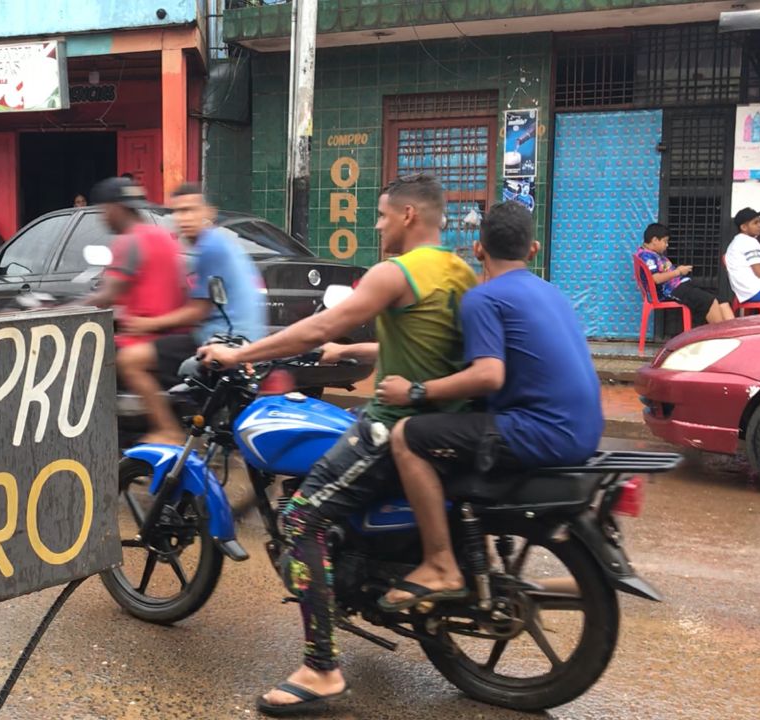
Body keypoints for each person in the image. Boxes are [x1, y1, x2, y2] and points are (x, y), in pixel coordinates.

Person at [198, 174, 476, 716]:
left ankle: (321, 668)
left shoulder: (394, 272)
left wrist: (239, 355)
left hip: (393, 424)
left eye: (381, 215)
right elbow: (430, 343)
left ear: (409, 217)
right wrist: (354, 353)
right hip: (446, 422)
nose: (376, 225)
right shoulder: (457, 270)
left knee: (301, 519)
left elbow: (319, 325)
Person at [373, 202, 603, 611]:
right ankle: (481, 560)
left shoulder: (485, 298)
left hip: (540, 431)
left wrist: (416, 392)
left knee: (408, 437)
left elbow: (489, 375)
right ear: (532, 249)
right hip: (584, 430)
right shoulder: (551, 292)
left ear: (478, 250)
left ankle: (440, 564)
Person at [119, 182, 267, 444]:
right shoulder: (219, 242)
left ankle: (168, 431)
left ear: (207, 211)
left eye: (190, 210)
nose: (183, 218)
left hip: (222, 340)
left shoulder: (210, 247)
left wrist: (147, 324)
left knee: (131, 360)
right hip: (241, 337)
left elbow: (197, 311)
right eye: (177, 212)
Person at [76, 177, 188, 435]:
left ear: (115, 208)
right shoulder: (164, 237)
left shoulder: (129, 242)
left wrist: (63, 309)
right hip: (169, 335)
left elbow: (106, 296)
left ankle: (165, 429)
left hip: (143, 338)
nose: (103, 218)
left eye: (103, 211)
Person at [637, 223, 734, 324]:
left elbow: (662, 269)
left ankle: (734, 334)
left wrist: (674, 269)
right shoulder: (647, 257)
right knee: (709, 301)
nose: (667, 245)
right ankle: (719, 336)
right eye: (665, 241)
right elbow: (656, 278)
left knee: (722, 300)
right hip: (670, 291)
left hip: (679, 285)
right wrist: (678, 271)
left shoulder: (653, 254)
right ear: (655, 240)